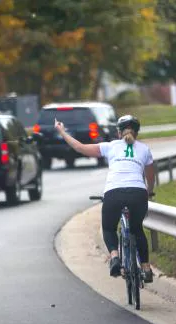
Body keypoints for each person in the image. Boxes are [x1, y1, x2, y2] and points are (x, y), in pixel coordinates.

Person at [54, 114, 156, 283]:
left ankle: (115, 256)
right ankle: (146, 267)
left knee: (108, 228)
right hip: (138, 193)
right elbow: (151, 178)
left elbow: (79, 147)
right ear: (137, 132)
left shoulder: (110, 147)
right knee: (137, 229)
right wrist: (149, 191)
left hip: (113, 193)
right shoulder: (144, 149)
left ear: (118, 132)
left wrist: (62, 131)